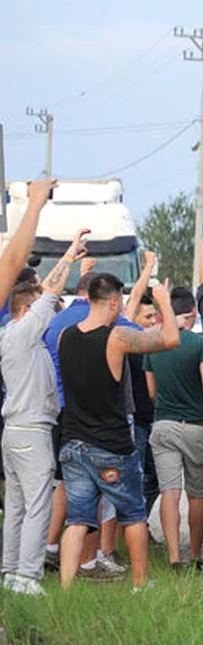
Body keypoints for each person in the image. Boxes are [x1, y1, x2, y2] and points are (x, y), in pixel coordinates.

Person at [57, 274, 180, 590]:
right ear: (113, 301)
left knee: (77, 520)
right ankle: (140, 585)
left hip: (72, 442)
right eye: (122, 302)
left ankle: (66, 588)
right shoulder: (116, 337)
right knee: (133, 514)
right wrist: (163, 301)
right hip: (110, 444)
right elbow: (170, 339)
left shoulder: (65, 337)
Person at [1, 232, 78, 595]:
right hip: (31, 430)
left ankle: (10, 571)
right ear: (25, 311)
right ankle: (28, 576)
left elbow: (45, 297)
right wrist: (70, 255)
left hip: (16, 429)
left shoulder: (15, 337)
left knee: (16, 506)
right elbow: (48, 294)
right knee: (36, 506)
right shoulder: (22, 335)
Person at [144, 286, 203, 570]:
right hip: (195, 426)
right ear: (193, 313)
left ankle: (174, 557)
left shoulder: (155, 343)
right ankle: (196, 554)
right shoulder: (199, 344)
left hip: (163, 425)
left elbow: (151, 393)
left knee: (169, 492)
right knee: (197, 494)